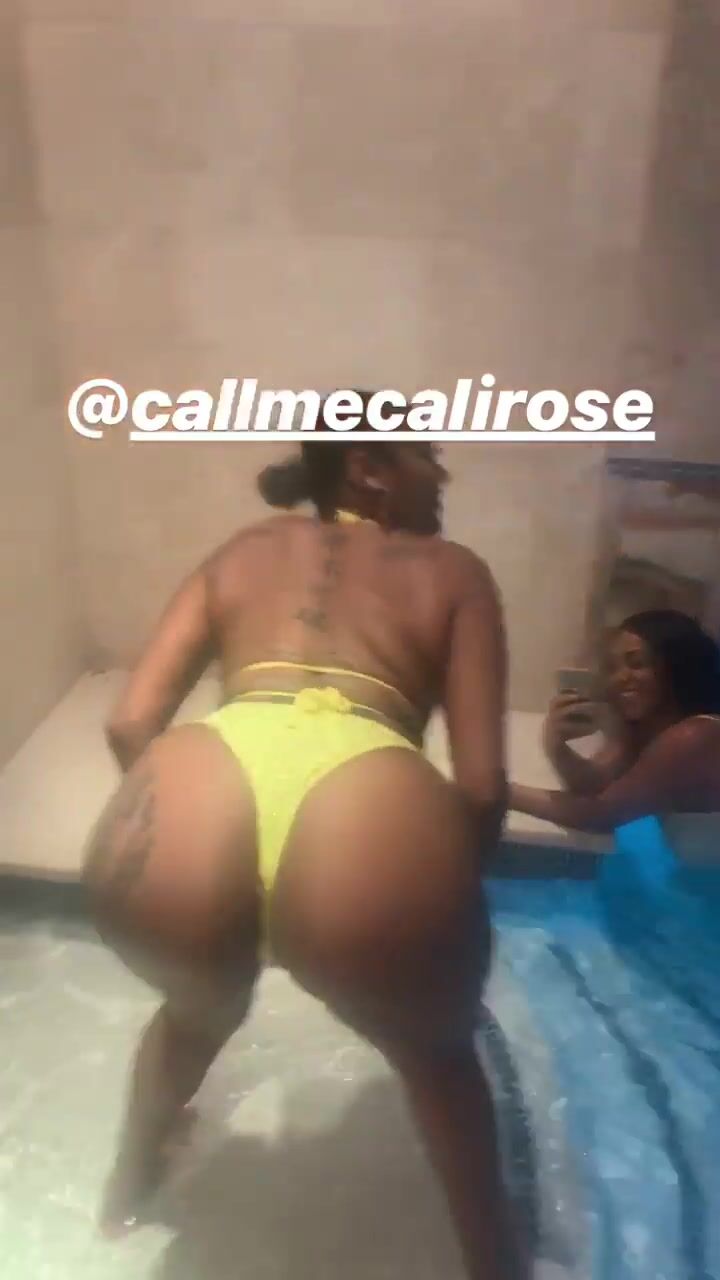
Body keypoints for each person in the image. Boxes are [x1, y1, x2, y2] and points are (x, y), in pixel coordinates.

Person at [82, 410, 519, 1279]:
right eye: (427, 456)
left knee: (193, 1014)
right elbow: (481, 789)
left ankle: (122, 1199)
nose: (442, 476)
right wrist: (429, 897)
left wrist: (197, 843)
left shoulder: (244, 549)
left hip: (199, 787)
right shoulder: (455, 571)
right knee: (439, 1059)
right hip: (370, 807)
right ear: (368, 466)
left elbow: (130, 721)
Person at [509, 609, 720, 833]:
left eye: (636, 663)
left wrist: (502, 792)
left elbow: (600, 814)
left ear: (675, 665)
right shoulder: (640, 729)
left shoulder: (695, 736)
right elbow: (594, 786)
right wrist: (556, 746)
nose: (620, 677)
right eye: (612, 667)